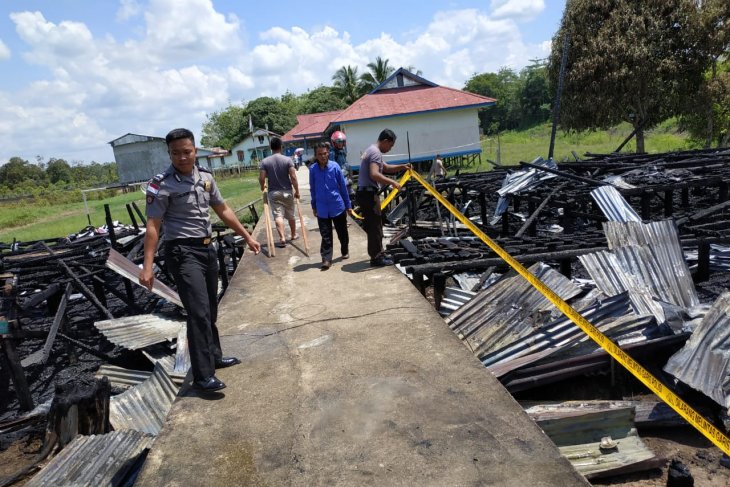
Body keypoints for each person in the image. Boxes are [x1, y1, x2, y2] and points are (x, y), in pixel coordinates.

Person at [139, 128, 261, 393]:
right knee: (198, 312)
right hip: (182, 253)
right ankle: (203, 377)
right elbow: (153, 225)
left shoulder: (205, 176)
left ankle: (214, 355)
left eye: (187, 151)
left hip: (207, 249)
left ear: (195, 150)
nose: (182, 157)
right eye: (175, 153)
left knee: (211, 309)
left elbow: (223, 209)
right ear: (169, 154)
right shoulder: (161, 184)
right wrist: (147, 267)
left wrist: (247, 236)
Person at [356, 129, 409, 266]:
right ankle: (376, 257)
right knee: (374, 227)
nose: (390, 149)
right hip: (368, 194)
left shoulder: (372, 150)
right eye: (390, 146)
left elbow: (385, 167)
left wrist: (402, 167)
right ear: (385, 141)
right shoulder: (375, 152)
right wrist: (392, 182)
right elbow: (374, 174)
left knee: (376, 224)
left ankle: (378, 252)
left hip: (366, 193)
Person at [309, 142, 353, 270]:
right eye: (320, 154)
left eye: (324, 153)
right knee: (325, 235)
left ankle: (345, 249)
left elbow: (343, 188)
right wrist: (314, 205)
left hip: (337, 206)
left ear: (328, 153)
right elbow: (312, 189)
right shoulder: (313, 170)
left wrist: (348, 205)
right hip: (322, 208)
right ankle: (326, 259)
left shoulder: (335, 167)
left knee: (342, 232)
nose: (322, 156)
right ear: (316, 155)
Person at [259, 136, 300, 248]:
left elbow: (262, 178)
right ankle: (293, 234)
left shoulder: (265, 161)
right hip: (287, 192)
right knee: (291, 215)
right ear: (281, 147)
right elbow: (293, 177)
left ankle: (282, 237)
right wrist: (297, 191)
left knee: (278, 215)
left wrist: (263, 187)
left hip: (274, 193)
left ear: (271, 147)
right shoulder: (287, 160)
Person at [330, 130, 354, 200]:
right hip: (338, 178)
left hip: (345, 176)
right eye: (338, 142)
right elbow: (333, 167)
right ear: (334, 142)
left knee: (351, 196)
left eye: (341, 142)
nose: (340, 144)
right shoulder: (333, 153)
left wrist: (350, 176)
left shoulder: (343, 151)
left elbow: (346, 164)